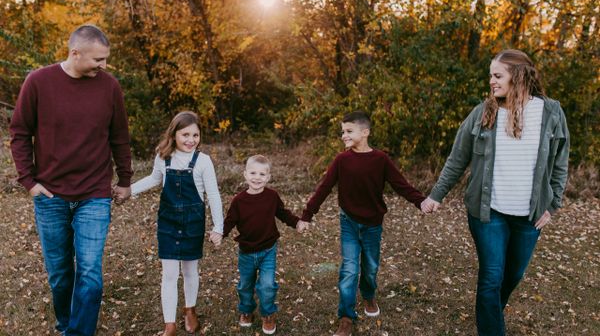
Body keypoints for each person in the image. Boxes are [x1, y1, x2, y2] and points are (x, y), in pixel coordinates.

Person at [421, 49, 570, 336]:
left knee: (513, 275)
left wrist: (552, 205)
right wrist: (436, 195)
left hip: (529, 216)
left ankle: (490, 313)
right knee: (491, 276)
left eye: (498, 75)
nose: (491, 81)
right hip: (488, 213)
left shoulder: (551, 112)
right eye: (491, 75)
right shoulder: (483, 113)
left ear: (519, 76)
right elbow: (457, 158)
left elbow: (560, 162)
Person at [9, 24, 133, 335]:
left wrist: (125, 179)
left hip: (94, 194)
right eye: (98, 59)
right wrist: (29, 181)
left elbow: (119, 136)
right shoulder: (38, 82)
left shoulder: (109, 87)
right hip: (50, 196)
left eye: (105, 59)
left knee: (89, 274)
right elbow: (20, 133)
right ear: (75, 53)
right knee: (61, 275)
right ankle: (66, 324)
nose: (104, 65)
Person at [296, 111, 426, 336]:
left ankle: (368, 294)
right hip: (349, 221)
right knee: (349, 269)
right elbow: (324, 187)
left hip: (373, 224)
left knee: (370, 267)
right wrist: (307, 215)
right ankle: (346, 316)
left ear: (365, 132)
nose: (343, 136)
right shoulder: (341, 160)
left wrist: (420, 201)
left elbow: (400, 185)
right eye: (342, 132)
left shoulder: (381, 159)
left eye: (349, 131)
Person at [130, 111, 224, 336]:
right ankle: (169, 324)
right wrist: (129, 190)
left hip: (193, 223)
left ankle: (190, 309)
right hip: (168, 223)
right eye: (185, 135)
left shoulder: (203, 161)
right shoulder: (164, 157)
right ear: (174, 134)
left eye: (195, 135)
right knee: (169, 273)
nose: (191, 140)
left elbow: (213, 195)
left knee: (190, 270)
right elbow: (154, 179)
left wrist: (218, 227)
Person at [220, 154, 300, 335]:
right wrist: (220, 233)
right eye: (253, 173)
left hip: (267, 250)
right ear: (245, 174)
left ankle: (268, 313)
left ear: (268, 177)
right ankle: (246, 310)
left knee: (267, 285)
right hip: (246, 251)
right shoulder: (239, 201)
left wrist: (296, 223)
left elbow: (283, 213)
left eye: (262, 174)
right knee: (245, 285)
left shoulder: (272, 196)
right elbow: (230, 221)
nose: (257, 178)